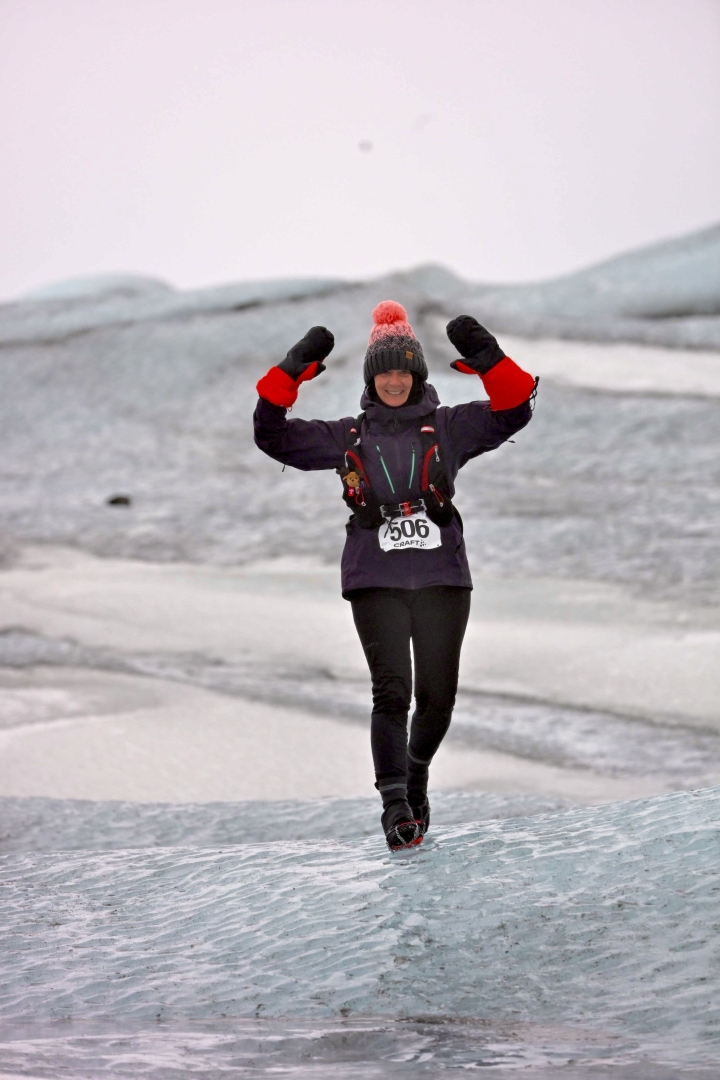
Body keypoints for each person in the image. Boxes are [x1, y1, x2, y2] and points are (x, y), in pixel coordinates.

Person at [253, 301, 536, 850]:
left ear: (417, 374)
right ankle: (395, 807)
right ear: (371, 378)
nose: (395, 381)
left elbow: (514, 410)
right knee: (391, 694)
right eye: (384, 372)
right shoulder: (348, 436)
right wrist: (291, 369)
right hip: (374, 577)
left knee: (438, 699)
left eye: (404, 371)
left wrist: (488, 356)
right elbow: (272, 435)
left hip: (441, 576)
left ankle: (416, 770)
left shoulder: (449, 427)